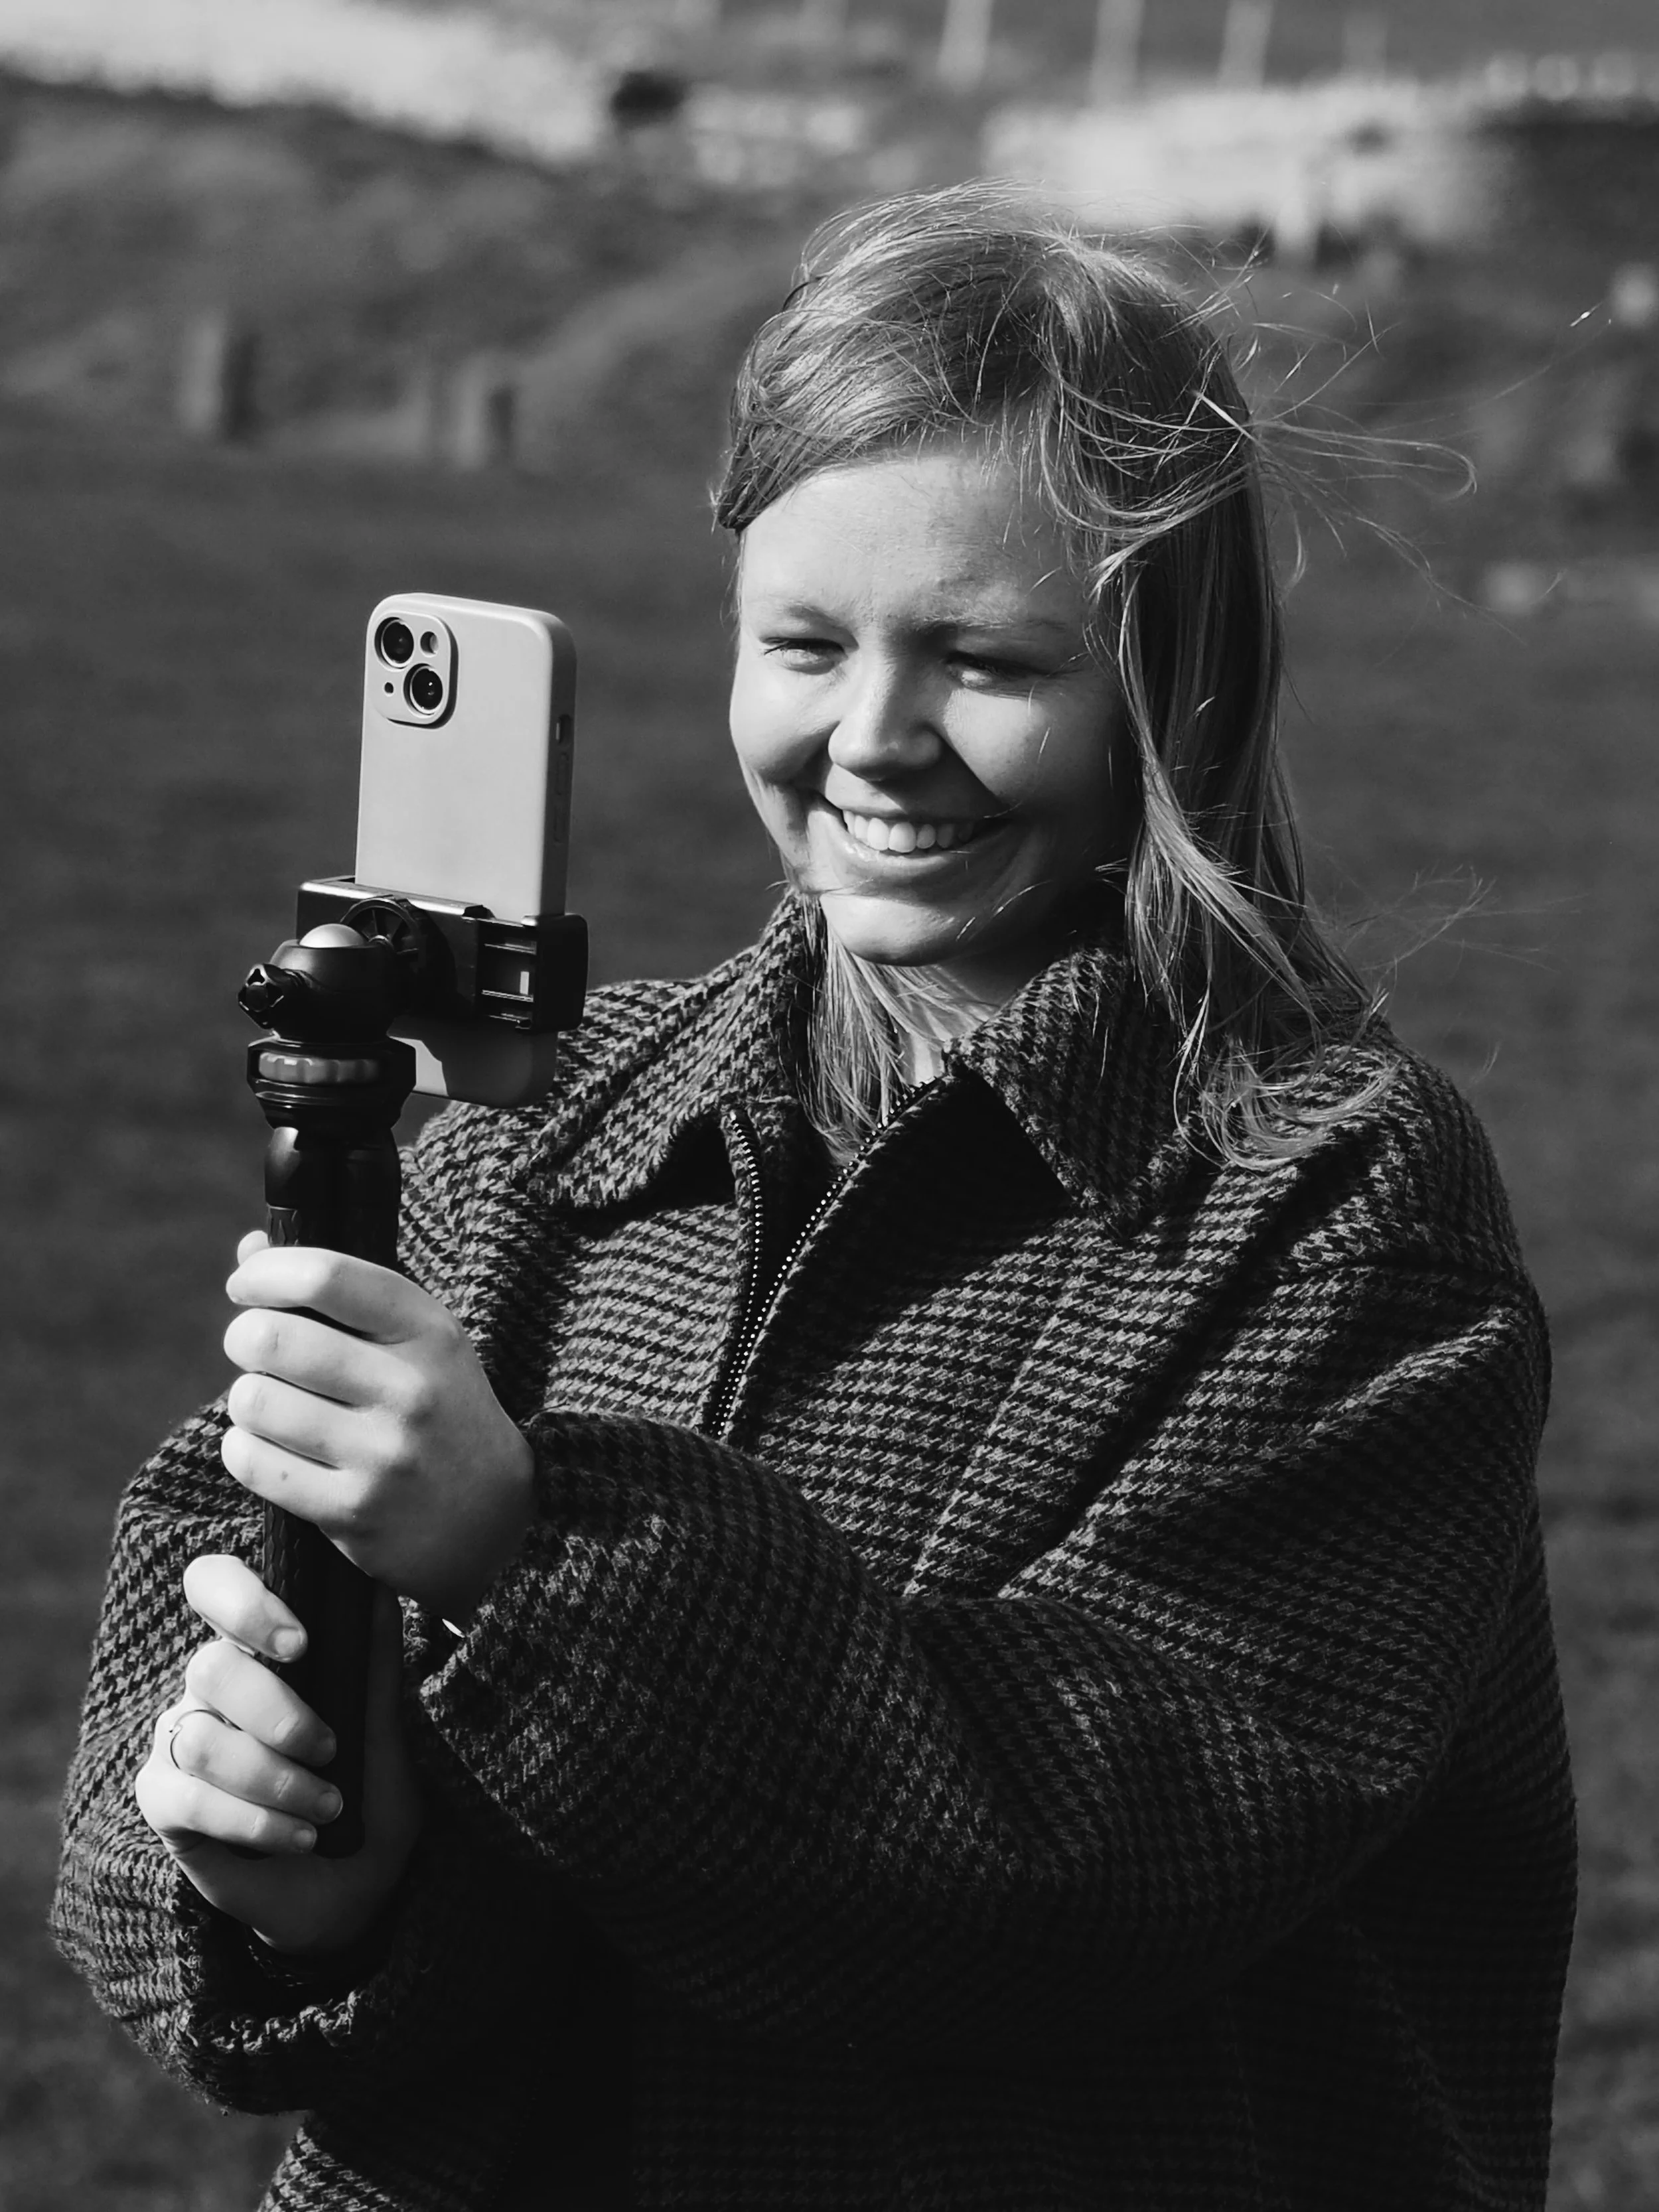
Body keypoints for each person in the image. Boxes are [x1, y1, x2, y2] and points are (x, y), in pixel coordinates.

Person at [54, 188, 1575, 2212]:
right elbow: (207, 1565)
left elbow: (1091, 1854)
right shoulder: (550, 1123)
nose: (872, 737)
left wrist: (529, 1552)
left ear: (1170, 682)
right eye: (801, 643)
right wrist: (289, 1857)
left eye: (980, 655)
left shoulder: (1324, 1205)